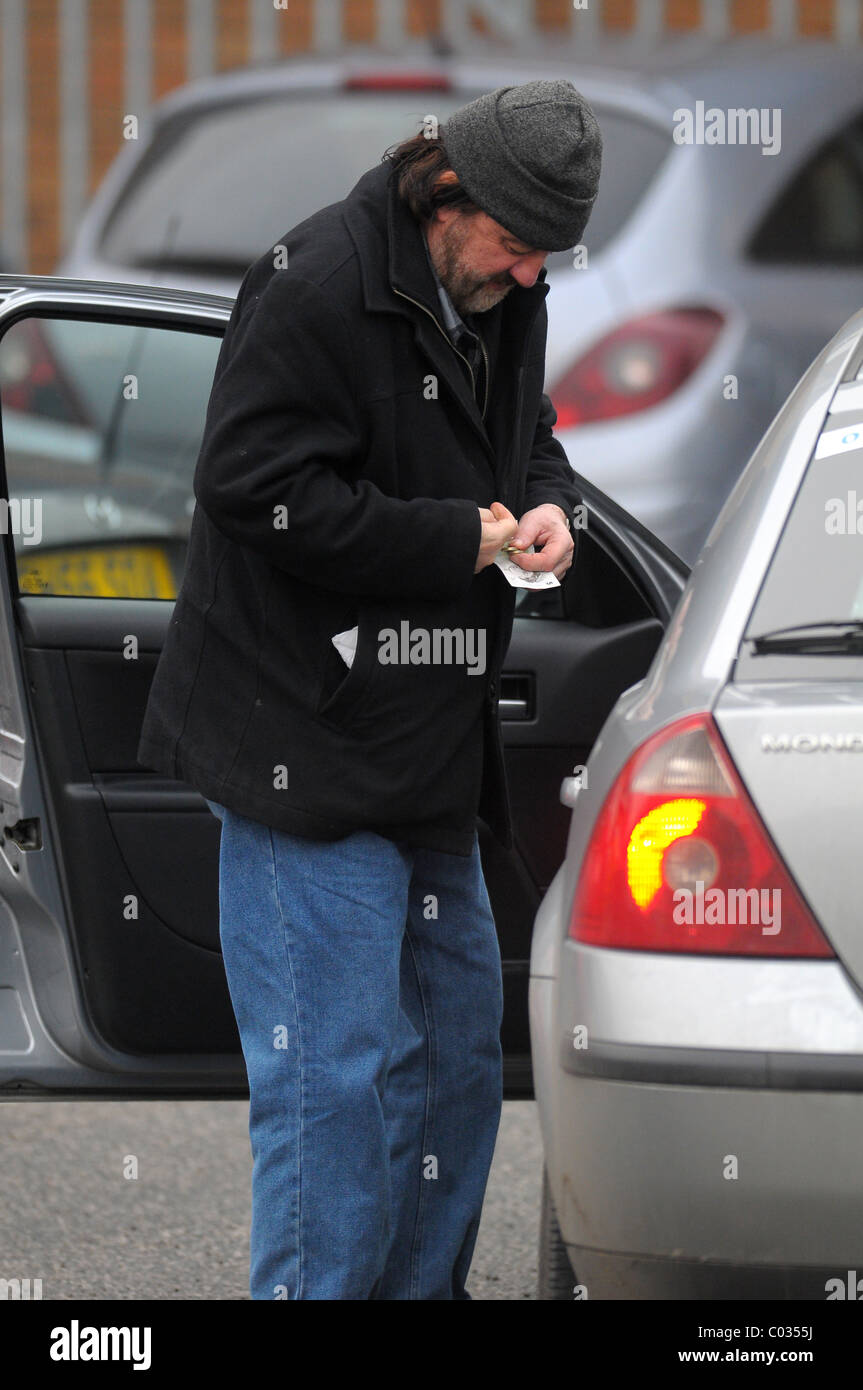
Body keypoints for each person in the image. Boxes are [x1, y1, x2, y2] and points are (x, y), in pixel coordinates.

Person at [136, 79, 602, 1300]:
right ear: (447, 197)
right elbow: (252, 488)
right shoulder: (315, 280)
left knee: (454, 1062)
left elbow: (527, 431)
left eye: (550, 255)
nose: (532, 276)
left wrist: (549, 503)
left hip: (426, 753)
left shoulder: (502, 288)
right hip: (303, 747)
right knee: (331, 1081)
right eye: (515, 246)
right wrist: (455, 537)